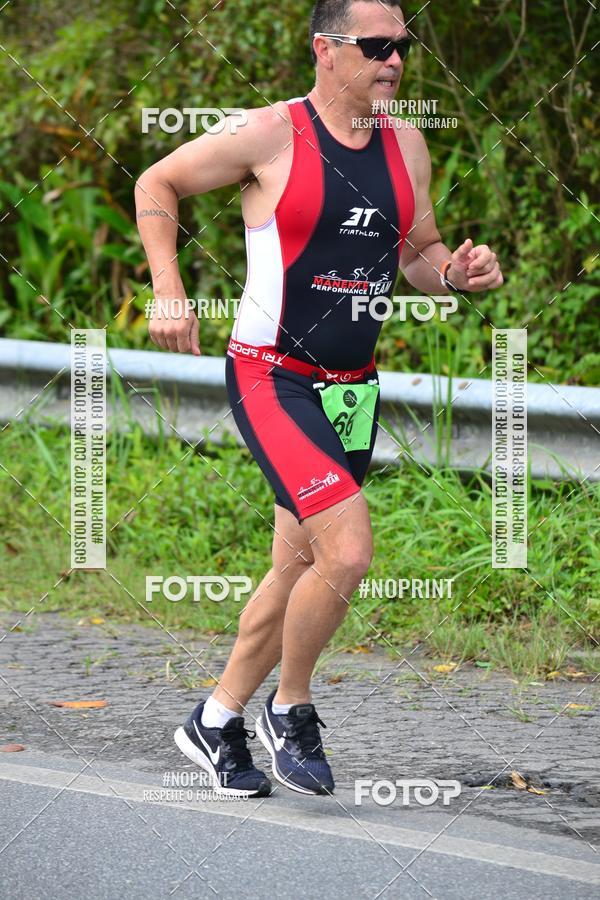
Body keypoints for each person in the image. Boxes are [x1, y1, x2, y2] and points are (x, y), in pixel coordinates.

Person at [134, 0, 503, 798]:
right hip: (272, 376)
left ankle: (215, 719)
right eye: (376, 45)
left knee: (297, 566)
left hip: (351, 389)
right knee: (349, 552)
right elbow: (156, 181)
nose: (394, 60)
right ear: (325, 50)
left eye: (402, 46)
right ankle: (289, 707)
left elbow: (419, 251)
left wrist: (455, 274)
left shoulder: (407, 143)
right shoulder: (271, 133)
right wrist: (168, 289)